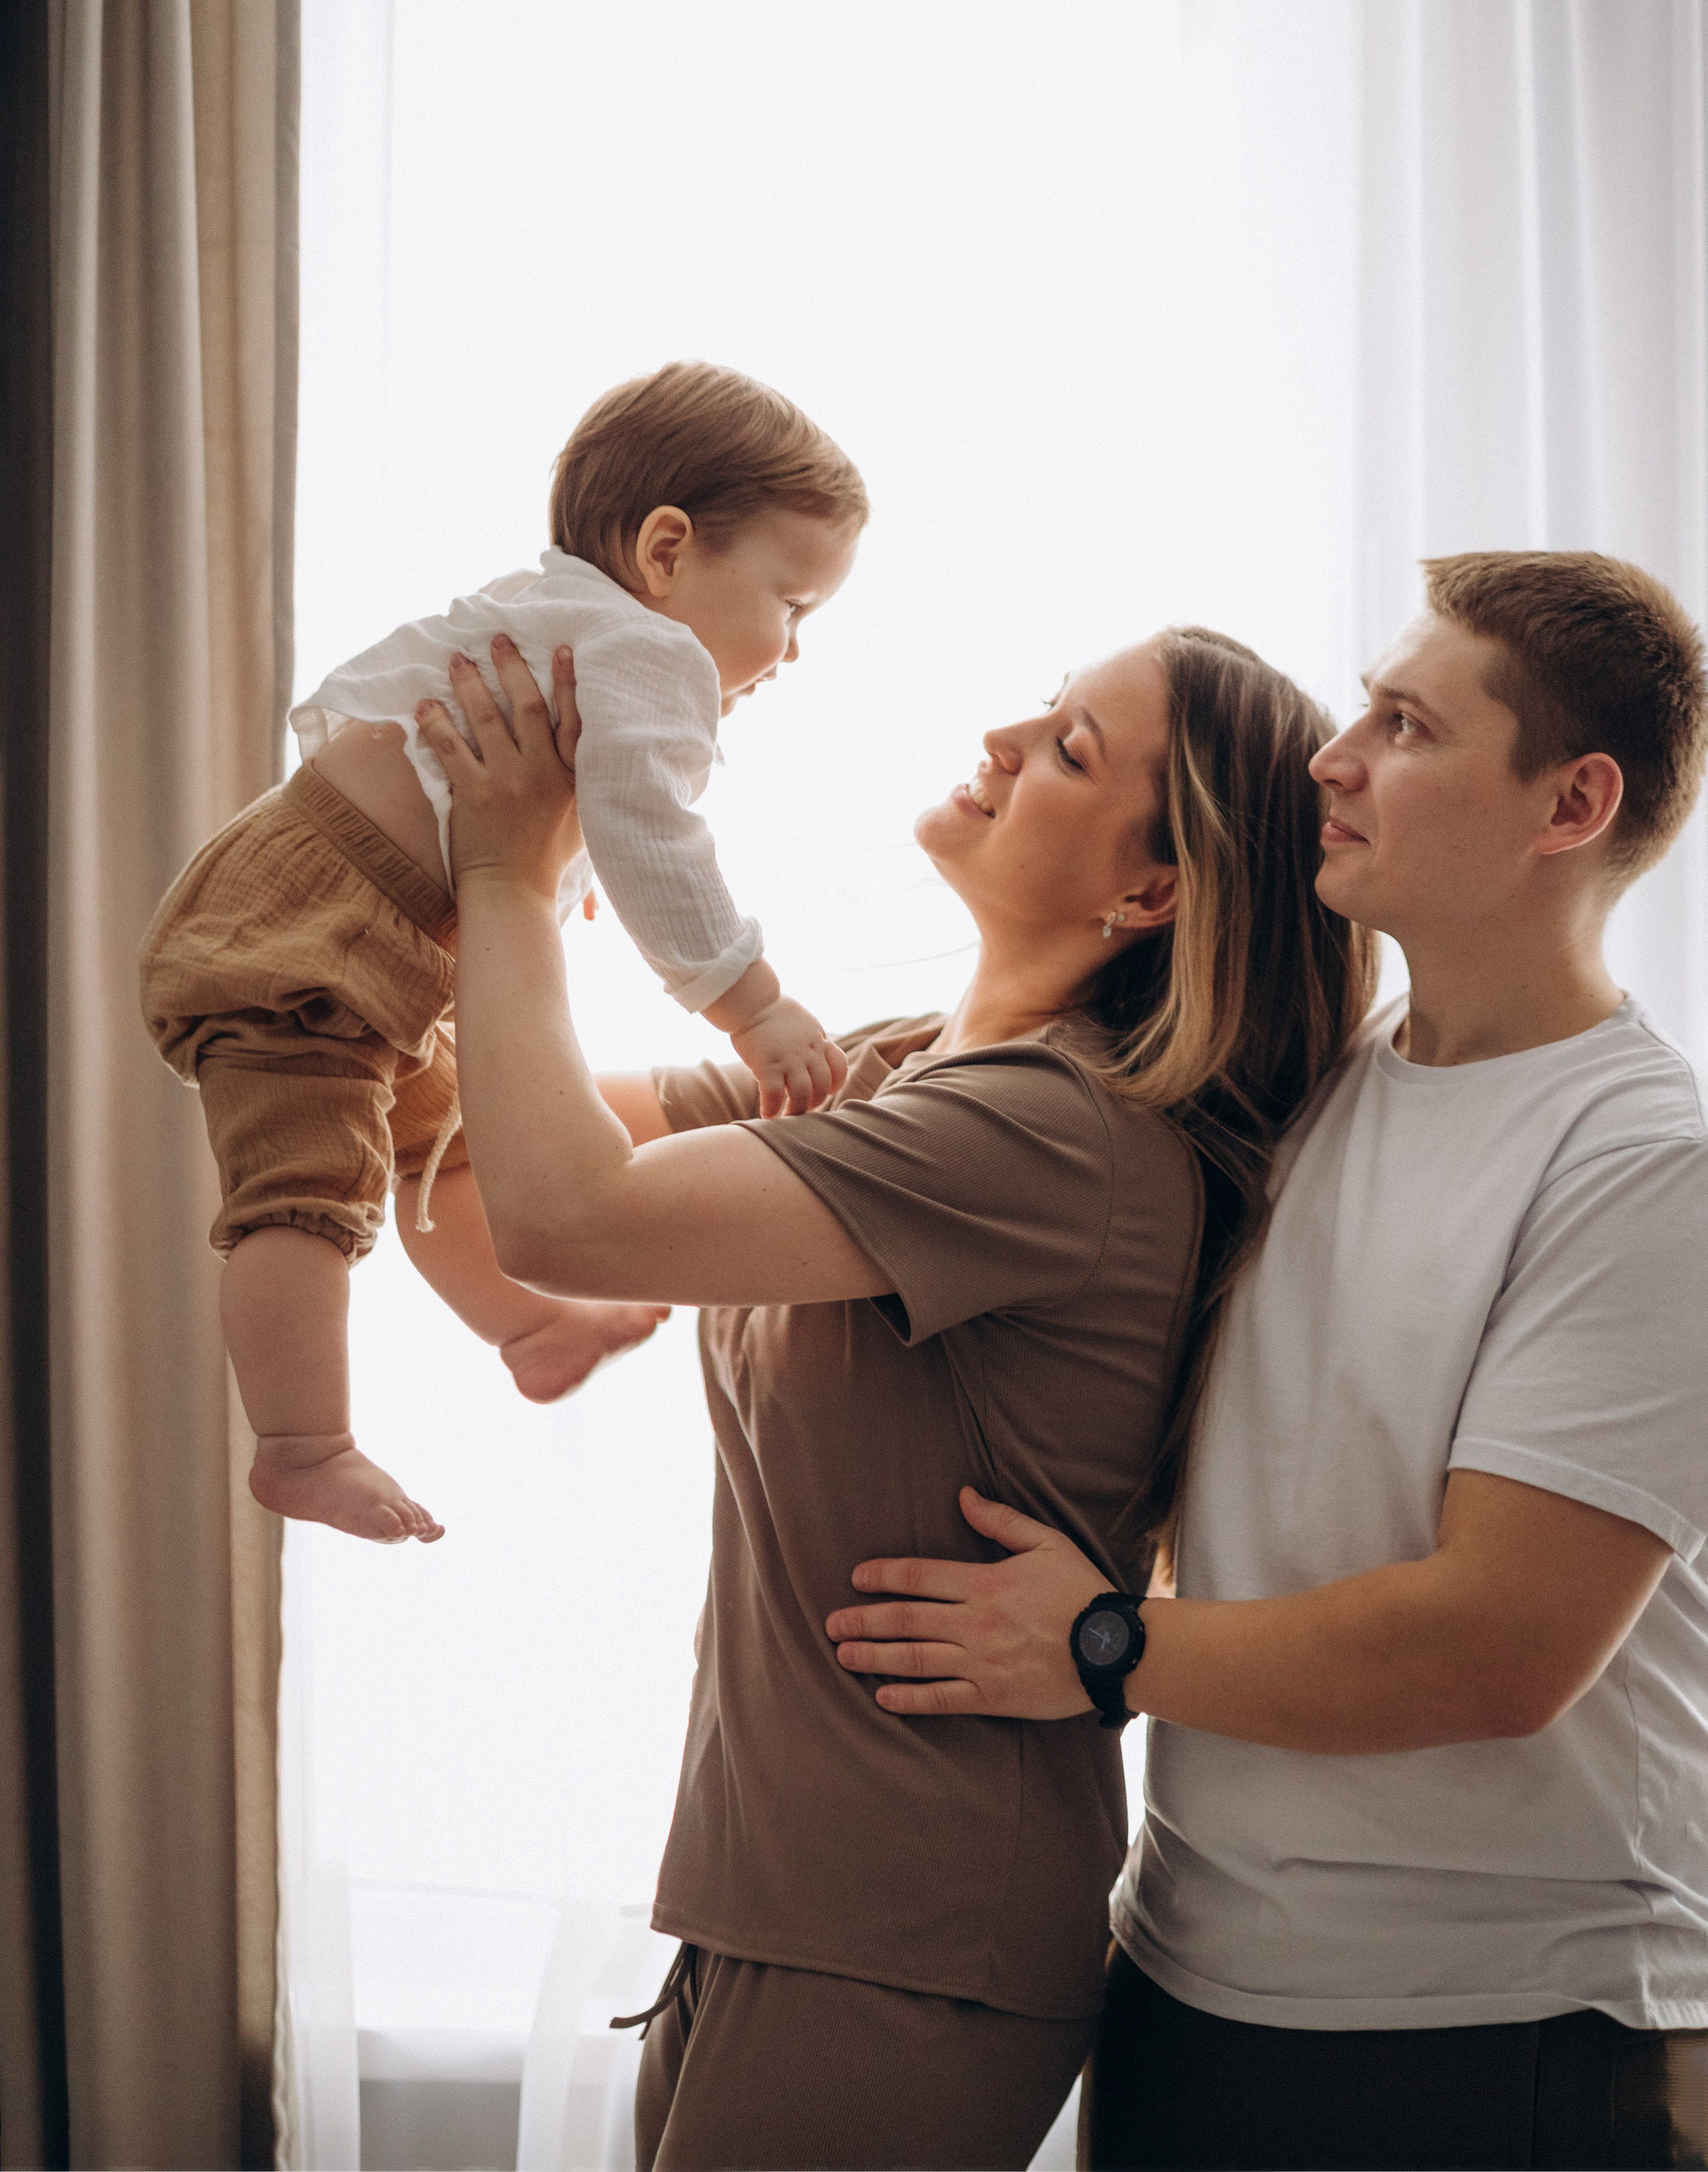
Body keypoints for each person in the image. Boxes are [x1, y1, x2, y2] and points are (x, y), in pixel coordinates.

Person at [411, 620, 1375, 2172]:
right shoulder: (897, 1067)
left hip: (902, 1930)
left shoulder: (1048, 1134)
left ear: (1150, 892)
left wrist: (510, 874)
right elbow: (483, 1167)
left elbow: (562, 1214)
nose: (1000, 735)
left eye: (1065, 746)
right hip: (780, 1898)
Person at [827, 550, 1708, 2171]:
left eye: (1402, 724)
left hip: (1505, 2041)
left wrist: (1097, 1645)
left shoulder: (1645, 1160)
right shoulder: (1311, 1089)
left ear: (1568, 804)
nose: (1329, 757)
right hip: (1184, 1991)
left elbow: (1497, 1646)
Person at [139, 362, 864, 1543]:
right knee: (307, 1189)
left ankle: (528, 1324)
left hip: (362, 920)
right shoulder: (651, 653)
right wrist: (755, 1007)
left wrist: (550, 879)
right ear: (668, 550)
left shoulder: (568, 610)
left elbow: (503, 797)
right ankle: (302, 1442)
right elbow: (658, 846)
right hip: (317, 934)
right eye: (795, 606)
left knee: (444, 1143)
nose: (792, 652)